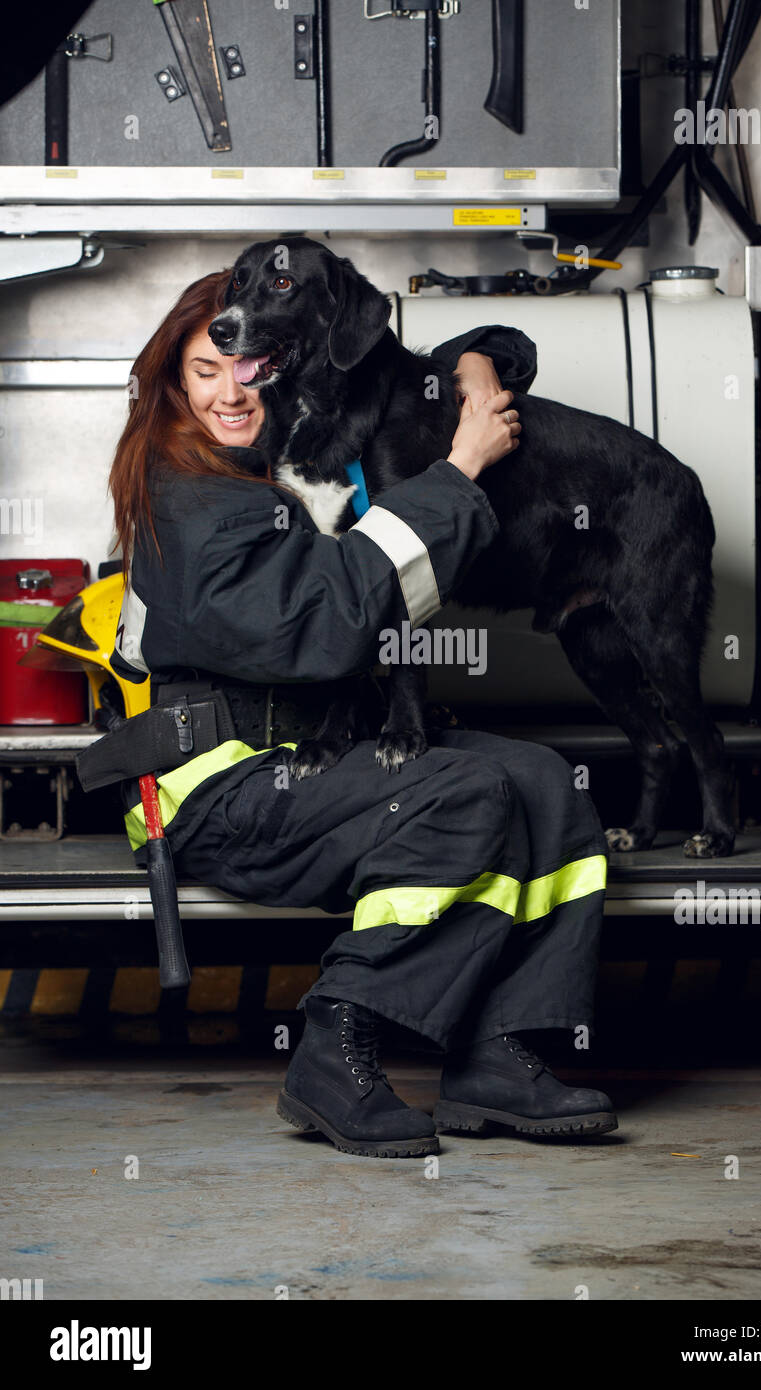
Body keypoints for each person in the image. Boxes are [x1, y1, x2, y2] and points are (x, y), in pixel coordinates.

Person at [107, 266, 616, 1159]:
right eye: (206, 370)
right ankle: (336, 1051)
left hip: (305, 759)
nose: (235, 389)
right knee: (462, 795)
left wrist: (482, 366)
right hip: (215, 789)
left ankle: (500, 1052)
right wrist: (459, 469)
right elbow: (329, 618)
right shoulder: (189, 498)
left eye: (252, 366)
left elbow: (393, 364)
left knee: (542, 782)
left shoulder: (281, 469)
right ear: (171, 386)